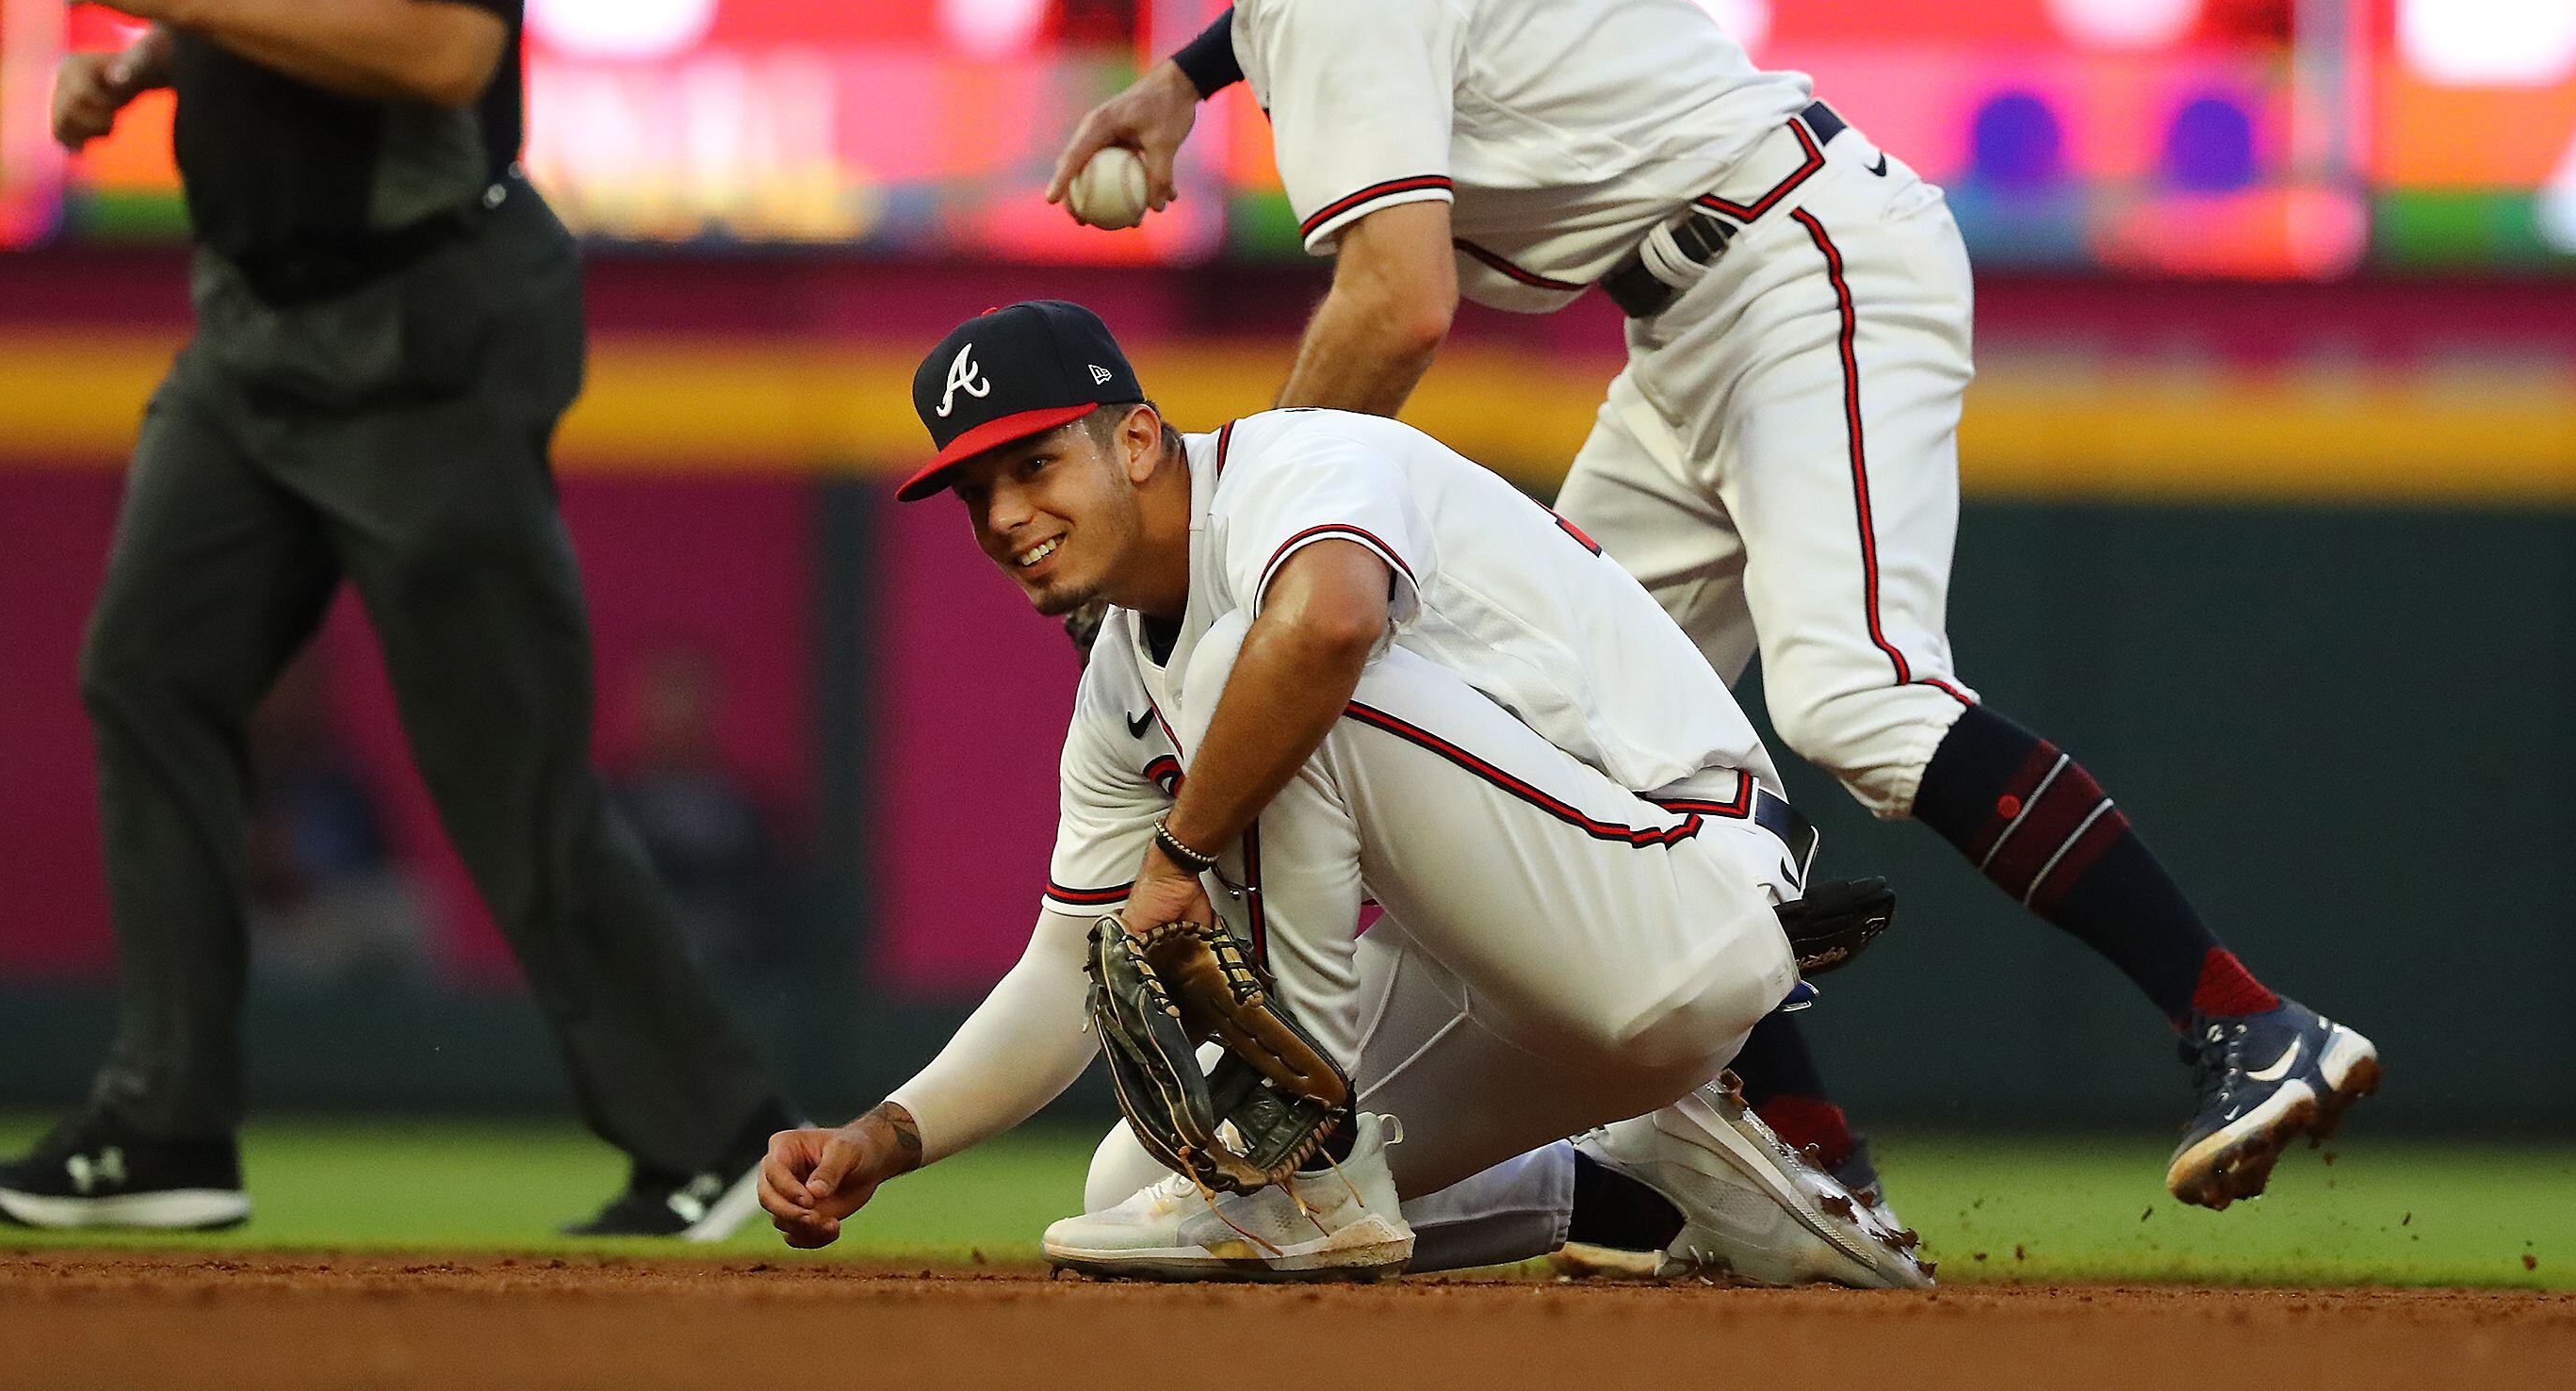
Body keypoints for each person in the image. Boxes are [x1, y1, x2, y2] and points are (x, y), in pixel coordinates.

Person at [1034, 0, 2376, 1222]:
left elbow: (1396, 302)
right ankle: (1814, 1166)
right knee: (1566, 718)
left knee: (1856, 691)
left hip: (1799, 258)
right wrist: (1189, 80)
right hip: (1699, 304)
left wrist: (1247, 515)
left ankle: (2245, 1016)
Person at [0, 0, 790, 1240]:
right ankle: (165, 1124)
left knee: (507, 771)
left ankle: (711, 1132)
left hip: (424, 325)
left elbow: (440, 48)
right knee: (144, 671)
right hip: (254, 330)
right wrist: (155, 61)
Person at [757, 299, 1929, 1285]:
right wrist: (881, 1135)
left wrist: (1178, 856)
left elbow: (1328, 623)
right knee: (1135, 1185)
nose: (1006, 514)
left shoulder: (1297, 462)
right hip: (1517, 963)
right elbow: (1068, 964)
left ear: (1136, 441)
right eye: (974, 491)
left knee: (1259, 664)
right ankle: (1666, 1187)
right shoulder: (1119, 673)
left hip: (1682, 880)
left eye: (1033, 463)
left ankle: (1314, 1171)